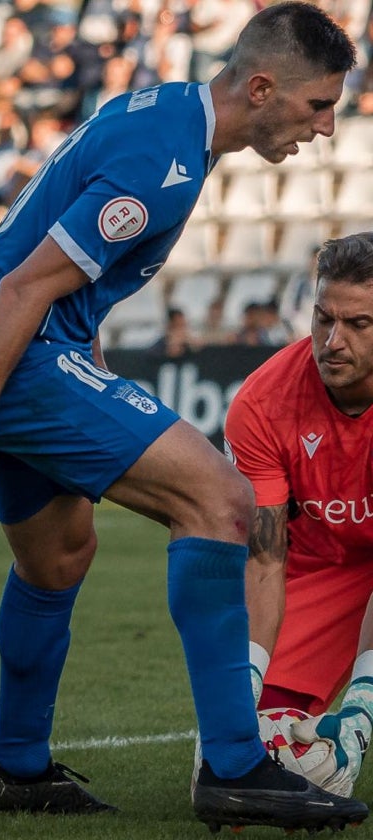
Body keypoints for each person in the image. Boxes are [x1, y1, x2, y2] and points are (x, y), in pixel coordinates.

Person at [0, 2, 368, 831]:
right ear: (262, 87)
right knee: (222, 503)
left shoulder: (163, 112)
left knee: (58, 562)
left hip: (20, 353)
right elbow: (23, 290)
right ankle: (234, 765)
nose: (325, 127)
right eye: (318, 105)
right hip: (18, 361)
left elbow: (65, 280)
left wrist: (89, 368)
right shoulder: (164, 162)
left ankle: (16, 766)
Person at [226, 232, 373, 798]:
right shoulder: (261, 404)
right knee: (263, 743)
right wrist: (246, 685)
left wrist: (361, 708)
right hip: (324, 570)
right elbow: (264, 561)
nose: (333, 342)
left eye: (358, 324)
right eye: (322, 318)